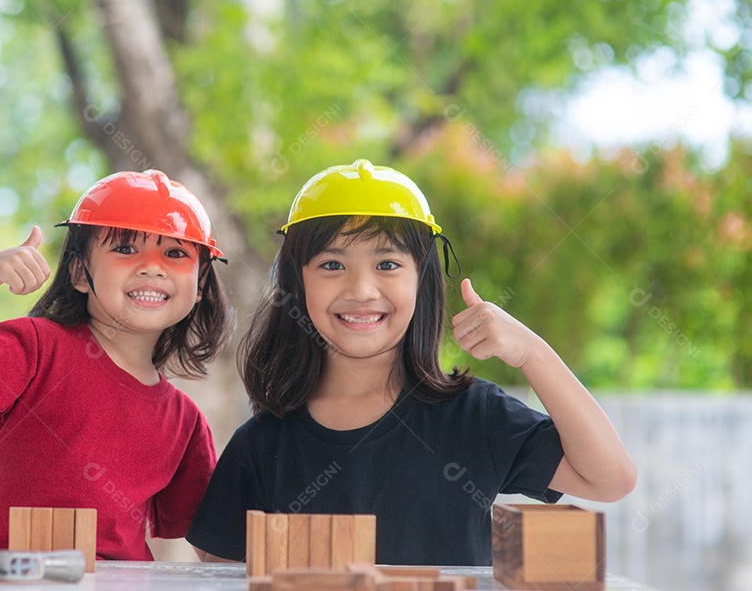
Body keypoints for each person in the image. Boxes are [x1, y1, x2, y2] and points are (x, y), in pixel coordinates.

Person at [186, 159, 635, 565]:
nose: (361, 289)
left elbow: (610, 479)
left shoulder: (474, 417)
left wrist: (533, 353)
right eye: (331, 265)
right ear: (296, 283)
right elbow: (221, 574)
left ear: (422, 280)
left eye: (387, 264)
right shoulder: (262, 445)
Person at [0, 169, 233, 559]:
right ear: (79, 272)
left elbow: (214, 550)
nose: (152, 266)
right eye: (126, 249)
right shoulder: (37, 347)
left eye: (175, 253)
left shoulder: (185, 421)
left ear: (200, 285)